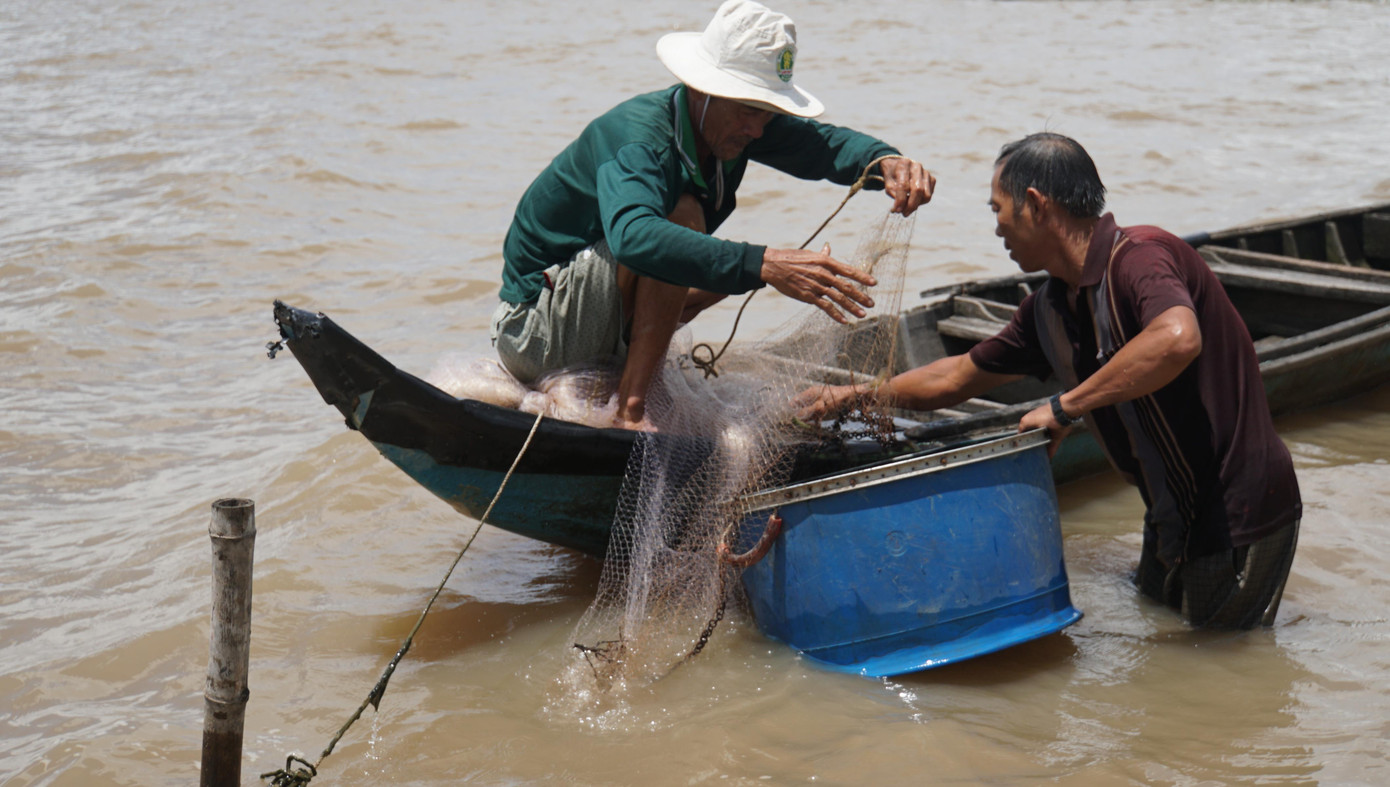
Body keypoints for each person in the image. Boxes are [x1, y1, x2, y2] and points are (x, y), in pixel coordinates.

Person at [796, 133, 1301, 630]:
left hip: (1236, 508)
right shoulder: (1051, 307)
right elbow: (955, 376)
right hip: (1170, 508)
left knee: (1215, 673)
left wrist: (1064, 408)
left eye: (998, 210)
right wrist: (853, 397)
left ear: (1036, 205)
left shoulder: (1141, 258)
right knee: (1168, 655)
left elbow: (1176, 338)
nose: (996, 229)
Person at [491, 0, 934, 430]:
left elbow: (822, 147)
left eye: (767, 113)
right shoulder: (640, 140)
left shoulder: (734, 125)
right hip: (536, 331)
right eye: (748, 111)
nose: (757, 130)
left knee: (717, 270)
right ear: (703, 90)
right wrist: (764, 263)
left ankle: (633, 377)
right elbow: (633, 236)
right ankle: (632, 411)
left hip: (599, 316)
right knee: (685, 223)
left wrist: (885, 162)